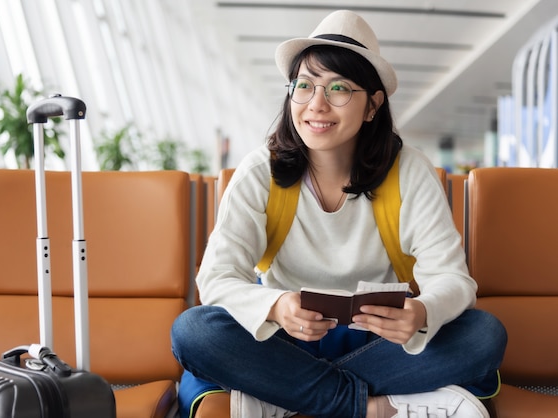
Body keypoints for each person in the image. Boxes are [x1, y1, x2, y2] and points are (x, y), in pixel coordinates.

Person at [171, 10, 507, 418]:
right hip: (285, 337)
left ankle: (288, 398)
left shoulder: (409, 172)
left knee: (483, 335)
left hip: (379, 342)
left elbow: (453, 279)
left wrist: (420, 313)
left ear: (372, 106)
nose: (316, 104)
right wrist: (277, 306)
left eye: (338, 88)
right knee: (193, 330)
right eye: (304, 85)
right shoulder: (262, 171)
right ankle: (369, 407)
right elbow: (216, 277)